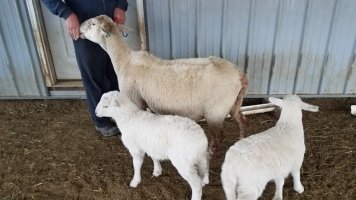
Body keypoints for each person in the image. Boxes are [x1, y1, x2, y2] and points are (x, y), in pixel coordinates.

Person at [42, 0, 128, 136]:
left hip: (110, 23)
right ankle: (102, 121)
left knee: (115, 72)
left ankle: (117, 114)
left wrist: (121, 5)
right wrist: (67, 14)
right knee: (94, 75)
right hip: (86, 26)